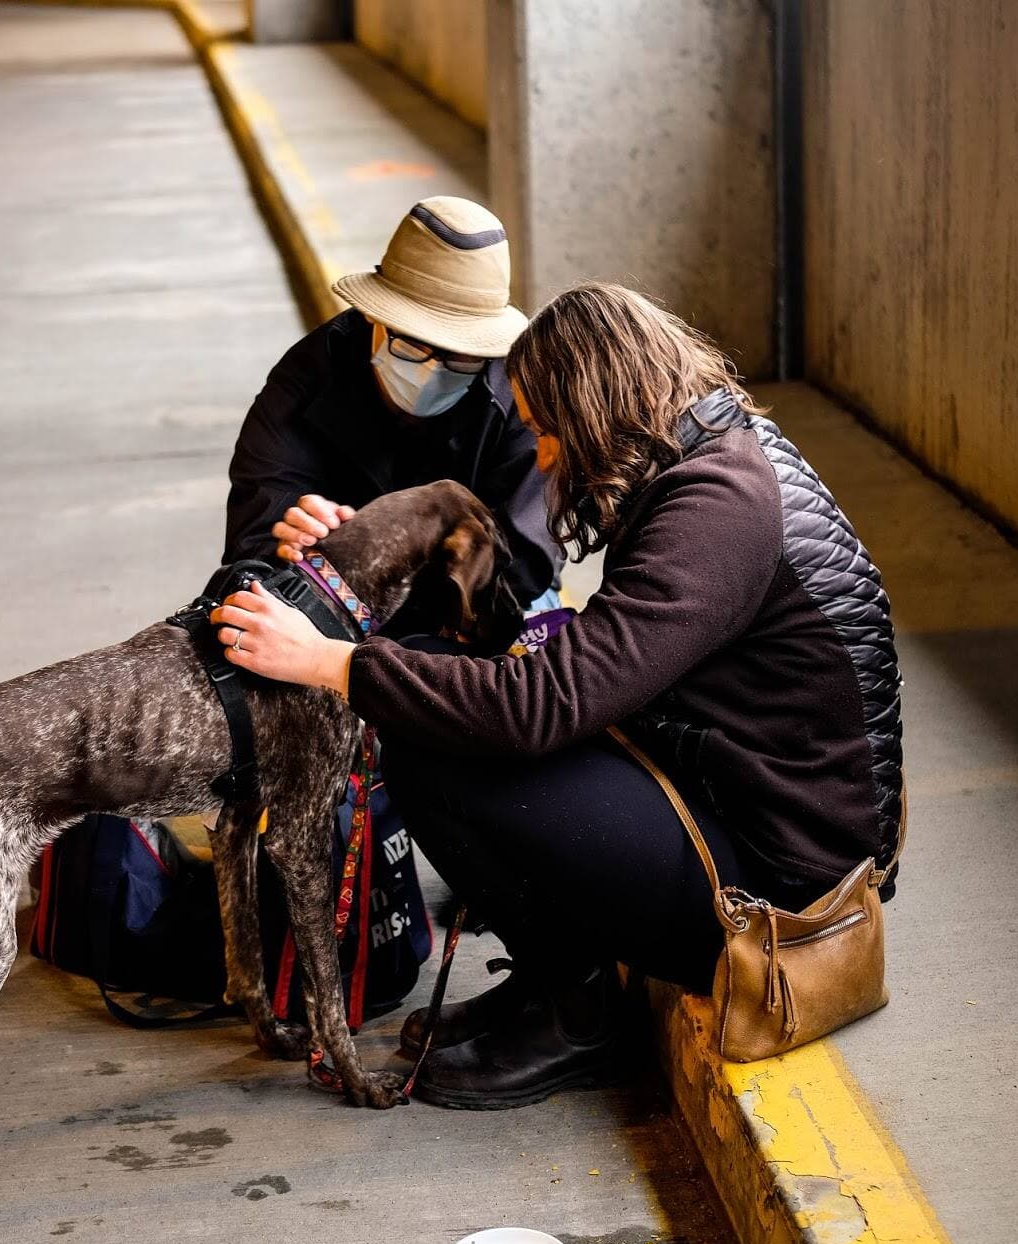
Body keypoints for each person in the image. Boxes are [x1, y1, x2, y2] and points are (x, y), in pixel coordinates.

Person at [213, 283, 904, 1110]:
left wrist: (332, 663)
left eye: (546, 431)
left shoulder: (718, 508)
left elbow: (537, 708)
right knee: (434, 684)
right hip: (739, 798)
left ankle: (577, 1018)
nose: (542, 456)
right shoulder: (717, 455)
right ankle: (551, 981)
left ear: (592, 408)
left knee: (439, 742)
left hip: (782, 891)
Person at [223, 195, 561, 610]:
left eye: (461, 354)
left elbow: (527, 564)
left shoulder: (523, 395)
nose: (433, 370)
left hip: (477, 605)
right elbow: (251, 543)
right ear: (375, 316)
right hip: (337, 597)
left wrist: (381, 564)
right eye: (414, 344)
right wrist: (290, 536)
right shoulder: (307, 376)